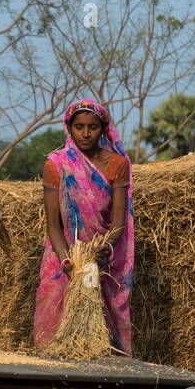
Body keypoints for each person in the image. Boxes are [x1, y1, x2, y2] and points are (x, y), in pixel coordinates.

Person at [33, 99, 135, 356]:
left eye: (92, 127)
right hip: (63, 256)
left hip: (104, 258)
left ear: (103, 129)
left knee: (108, 328)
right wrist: (68, 261)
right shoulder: (56, 165)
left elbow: (120, 221)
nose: (86, 133)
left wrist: (104, 249)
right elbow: (53, 225)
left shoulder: (117, 165)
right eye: (79, 127)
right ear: (69, 128)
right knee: (55, 327)